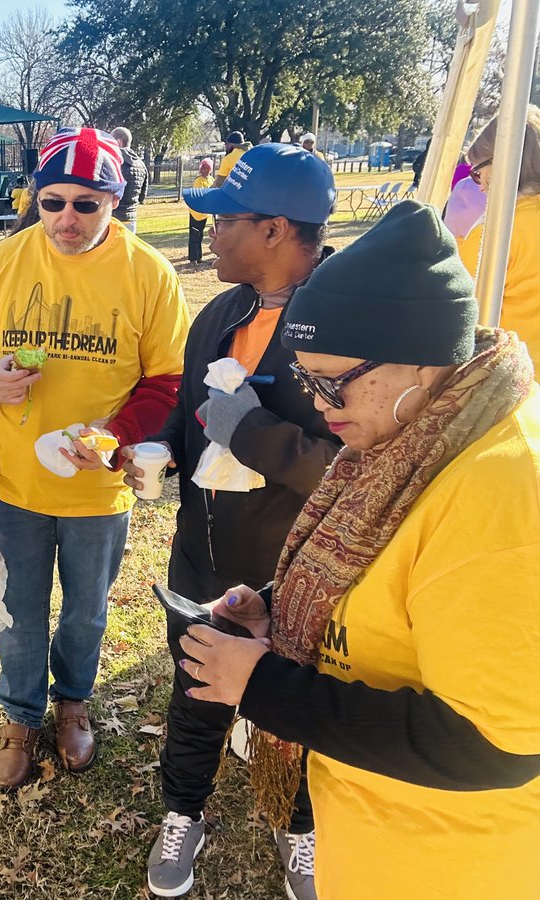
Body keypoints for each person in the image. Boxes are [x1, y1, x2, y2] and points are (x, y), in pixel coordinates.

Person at [182, 200, 540, 899]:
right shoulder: (419, 436)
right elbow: (390, 584)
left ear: (420, 357)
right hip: (381, 838)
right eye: (307, 381)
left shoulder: (501, 490)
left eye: (331, 381)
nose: (318, 405)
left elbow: (496, 744)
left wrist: (261, 686)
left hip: (451, 864)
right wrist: (281, 613)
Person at [0, 127, 190, 789]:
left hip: (96, 490)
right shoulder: (4, 261)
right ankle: (20, 716)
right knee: (17, 611)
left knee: (86, 608)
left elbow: (168, 380)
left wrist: (114, 441)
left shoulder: (149, 274)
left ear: (114, 200)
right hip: (13, 481)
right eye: (52, 202)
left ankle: (72, 700)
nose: (66, 218)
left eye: (86, 203)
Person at [128, 143, 340, 900]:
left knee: (296, 708)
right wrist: (156, 450)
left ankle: (301, 825)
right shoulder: (219, 312)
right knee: (194, 690)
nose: (208, 235)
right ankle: (184, 812)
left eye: (225, 221)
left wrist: (249, 429)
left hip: (298, 573)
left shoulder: (347, 325)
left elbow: (350, 472)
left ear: (278, 229)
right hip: (204, 554)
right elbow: (197, 425)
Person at [457, 105, 540, 374]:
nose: (479, 185)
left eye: (478, 172)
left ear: (503, 161)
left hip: (517, 371)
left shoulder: (499, 233)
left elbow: (465, 305)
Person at [111, 126, 149, 232]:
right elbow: (142, 197)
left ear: (118, 142)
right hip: (131, 218)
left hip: (113, 217)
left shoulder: (114, 162)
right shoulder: (141, 165)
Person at [187, 159, 212, 264]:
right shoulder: (199, 180)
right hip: (196, 213)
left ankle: (199, 257)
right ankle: (193, 258)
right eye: (203, 168)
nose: (205, 170)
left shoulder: (211, 179)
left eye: (208, 168)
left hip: (204, 213)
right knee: (194, 236)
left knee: (200, 235)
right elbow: (199, 196)